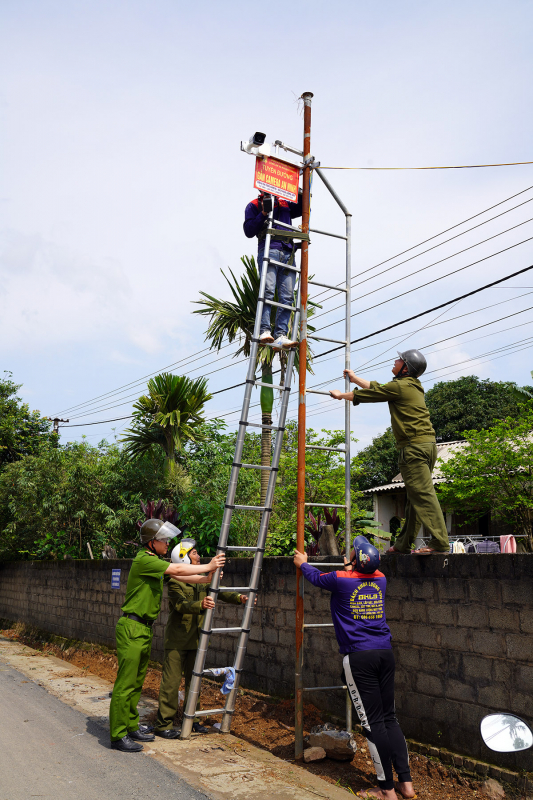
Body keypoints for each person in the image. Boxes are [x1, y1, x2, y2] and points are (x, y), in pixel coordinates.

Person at [294, 537, 416, 800]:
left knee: (372, 724)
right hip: (385, 652)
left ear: (355, 561)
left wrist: (303, 563)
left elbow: (316, 577)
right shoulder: (381, 579)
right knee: (389, 718)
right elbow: (362, 569)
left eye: (352, 553)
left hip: (360, 657)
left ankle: (385, 790)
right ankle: (406, 785)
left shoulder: (341, 579)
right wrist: (353, 562)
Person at [109, 519, 225, 752]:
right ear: (151, 543)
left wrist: (206, 577)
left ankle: (131, 726)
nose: (167, 543)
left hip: (143, 628)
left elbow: (180, 577)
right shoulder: (144, 560)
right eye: (163, 540)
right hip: (132, 627)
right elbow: (178, 569)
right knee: (125, 683)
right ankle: (118, 734)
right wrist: (208, 566)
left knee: (137, 683)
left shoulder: (154, 563)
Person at [329, 349, 449, 554]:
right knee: (415, 498)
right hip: (426, 446)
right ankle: (403, 545)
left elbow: (372, 393)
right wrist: (355, 378)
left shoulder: (401, 386)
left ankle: (440, 542)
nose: (395, 361)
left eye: (399, 360)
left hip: (413, 448)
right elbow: (381, 388)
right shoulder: (411, 386)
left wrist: (342, 395)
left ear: (405, 368)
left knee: (423, 496)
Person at [155, 538, 249, 738]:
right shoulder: (174, 581)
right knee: (171, 684)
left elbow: (219, 593)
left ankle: (193, 719)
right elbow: (180, 605)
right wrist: (201, 604)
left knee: (194, 682)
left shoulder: (203, 577)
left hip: (196, 639)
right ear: (184, 559)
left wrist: (240, 598)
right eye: (194, 553)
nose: (198, 556)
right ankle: (164, 725)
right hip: (177, 641)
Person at [243, 190, 302, 351]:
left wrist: (303, 191)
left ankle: (281, 335)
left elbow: (304, 207)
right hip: (269, 249)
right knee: (267, 291)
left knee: (287, 296)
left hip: (288, 251)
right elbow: (249, 231)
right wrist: (263, 212)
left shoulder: (284, 203)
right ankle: (264, 331)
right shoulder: (254, 204)